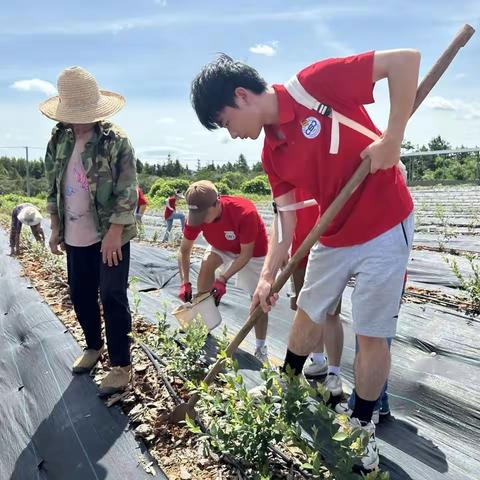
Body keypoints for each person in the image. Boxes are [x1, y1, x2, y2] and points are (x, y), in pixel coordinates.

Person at [191, 49, 419, 470]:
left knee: (370, 332)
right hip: (332, 236)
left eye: (225, 122)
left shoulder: (315, 84)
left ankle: (362, 424)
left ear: (242, 96)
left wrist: (393, 138)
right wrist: (268, 276)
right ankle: (288, 389)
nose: (232, 133)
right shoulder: (271, 155)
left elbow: (406, 61)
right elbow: (285, 222)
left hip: (386, 225)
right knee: (307, 312)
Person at [41, 66, 138, 396]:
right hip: (75, 233)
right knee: (81, 295)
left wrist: (114, 231)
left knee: (112, 296)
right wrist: (55, 227)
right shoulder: (59, 139)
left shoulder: (115, 141)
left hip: (110, 235)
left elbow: (128, 190)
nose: (78, 120)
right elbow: (53, 186)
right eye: (73, 114)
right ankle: (94, 346)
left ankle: (121, 366)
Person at [177, 180, 270, 364]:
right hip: (221, 246)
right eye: (197, 215)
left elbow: (245, 254)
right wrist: (184, 281)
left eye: (204, 214)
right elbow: (184, 250)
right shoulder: (196, 217)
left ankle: (260, 347)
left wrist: (223, 278)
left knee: (259, 298)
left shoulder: (244, 212)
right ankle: (203, 324)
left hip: (253, 253)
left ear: (217, 202)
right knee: (206, 264)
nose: (201, 220)